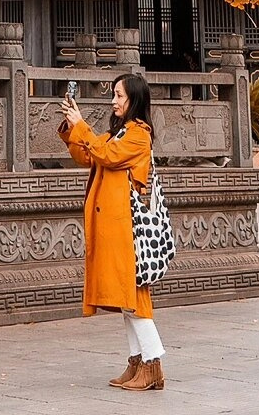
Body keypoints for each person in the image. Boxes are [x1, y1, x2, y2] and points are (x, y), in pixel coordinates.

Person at [59, 71, 166, 392]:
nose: (114, 101)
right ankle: (138, 361)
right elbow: (86, 155)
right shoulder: (118, 133)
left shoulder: (138, 135)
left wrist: (82, 126)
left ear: (134, 99)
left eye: (119, 96)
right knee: (126, 296)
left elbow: (106, 155)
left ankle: (153, 363)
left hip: (127, 229)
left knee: (134, 296)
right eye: (114, 95)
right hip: (112, 226)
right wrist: (71, 128)